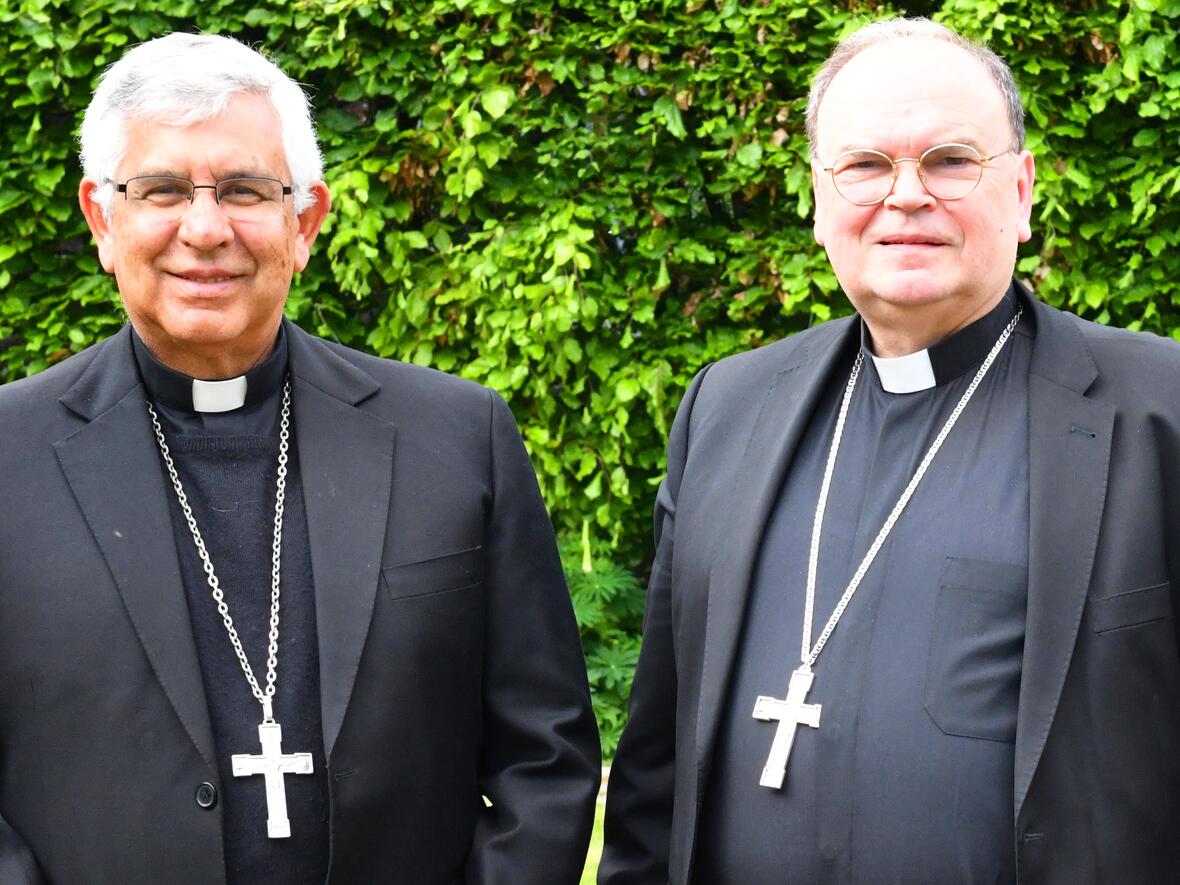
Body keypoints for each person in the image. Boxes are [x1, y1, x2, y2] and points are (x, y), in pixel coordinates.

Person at [0, 32, 599, 884]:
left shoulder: (457, 436)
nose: (205, 230)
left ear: (305, 221)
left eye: (245, 190)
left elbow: (546, 756)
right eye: (163, 189)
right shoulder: (8, 456)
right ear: (104, 219)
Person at [600, 17, 1180, 884]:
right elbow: (656, 761)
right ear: (820, 196)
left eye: (950, 161)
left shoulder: (1159, 410)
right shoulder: (726, 406)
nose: (905, 194)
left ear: (1020, 192)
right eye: (866, 165)